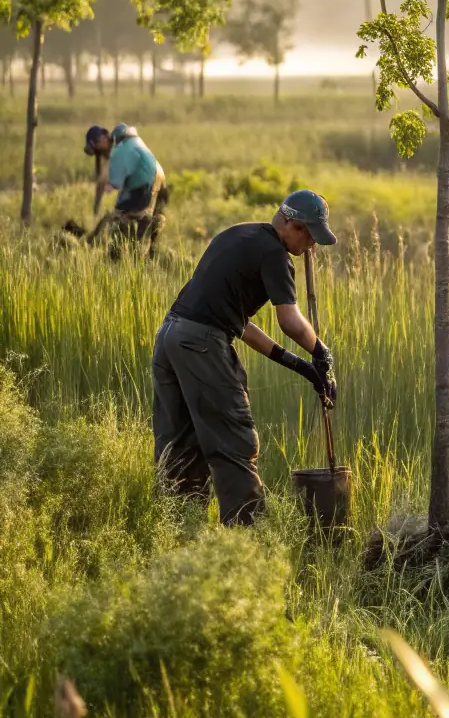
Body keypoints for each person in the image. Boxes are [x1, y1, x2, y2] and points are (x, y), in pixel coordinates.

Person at [151, 190, 339, 526]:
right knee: (234, 442)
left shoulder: (238, 235)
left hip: (171, 338)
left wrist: (301, 366)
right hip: (201, 344)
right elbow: (289, 320)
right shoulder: (275, 254)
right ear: (293, 226)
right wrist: (320, 352)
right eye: (310, 236)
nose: (311, 246)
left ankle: (179, 529)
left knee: (180, 444)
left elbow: (239, 324)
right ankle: (248, 538)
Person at [83, 123, 169, 257]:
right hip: (158, 179)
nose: (99, 153)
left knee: (127, 222)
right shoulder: (131, 143)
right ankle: (150, 256)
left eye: (97, 147)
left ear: (103, 139)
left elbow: (108, 182)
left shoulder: (120, 149)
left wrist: (98, 206)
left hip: (147, 183)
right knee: (145, 224)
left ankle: (128, 257)